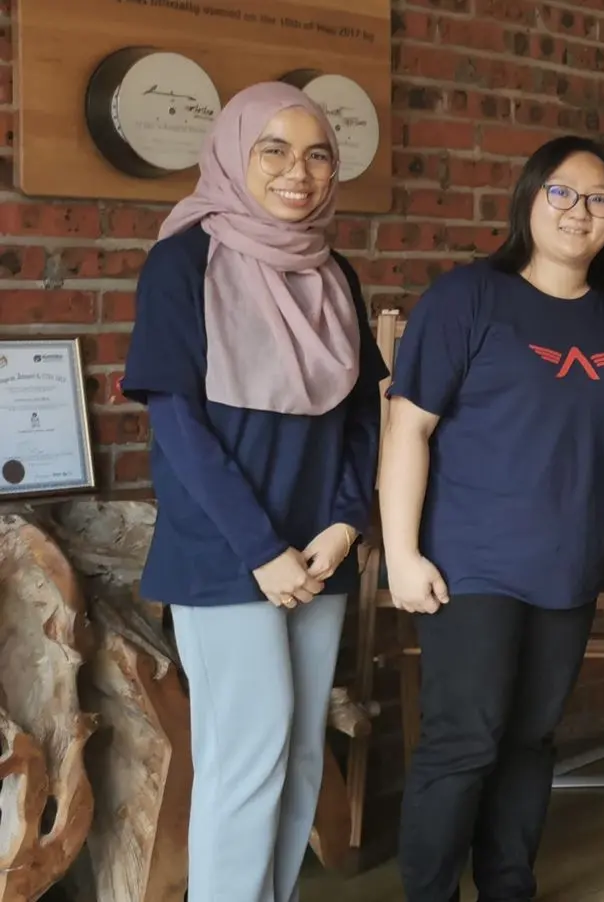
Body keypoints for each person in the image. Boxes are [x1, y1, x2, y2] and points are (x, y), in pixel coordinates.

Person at [119, 81, 383, 902]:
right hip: (226, 551)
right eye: (274, 150)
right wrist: (263, 550)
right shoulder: (181, 263)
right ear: (235, 154)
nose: (297, 172)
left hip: (319, 550)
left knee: (301, 752)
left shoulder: (334, 272)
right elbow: (178, 425)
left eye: (317, 155)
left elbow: (361, 416)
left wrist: (345, 524)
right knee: (248, 754)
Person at [380, 135, 604, 901]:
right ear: (528, 199)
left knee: (531, 739)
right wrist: (402, 554)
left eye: (598, 199)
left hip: (568, 564)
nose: (578, 211)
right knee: (466, 739)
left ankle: (507, 887)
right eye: (561, 192)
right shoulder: (467, 299)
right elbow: (407, 429)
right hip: (470, 562)